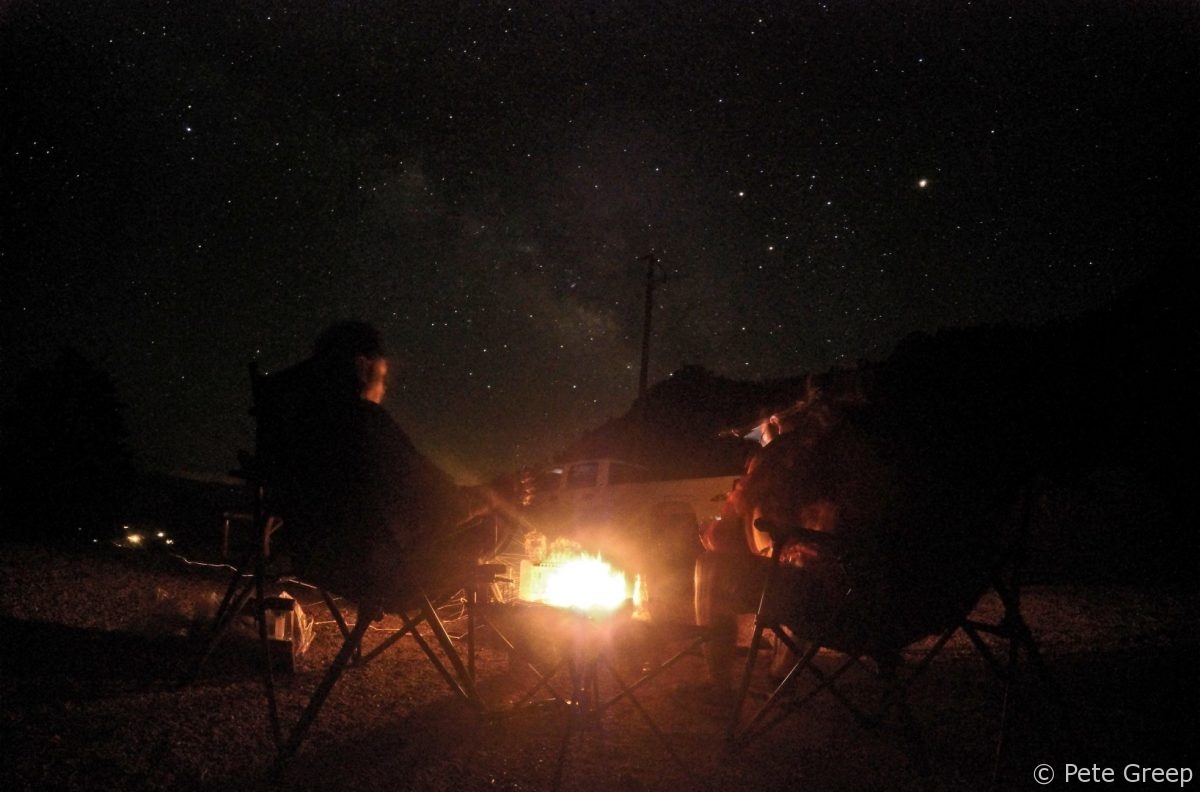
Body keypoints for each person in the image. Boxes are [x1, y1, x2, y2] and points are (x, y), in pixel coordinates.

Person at [272, 321, 491, 607]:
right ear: (363, 367)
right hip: (379, 574)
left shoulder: (298, 427)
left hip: (313, 559)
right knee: (487, 527)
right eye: (383, 377)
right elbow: (442, 501)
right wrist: (498, 495)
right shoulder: (364, 423)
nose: (384, 388)